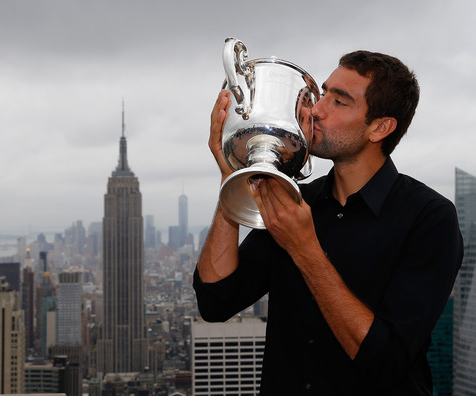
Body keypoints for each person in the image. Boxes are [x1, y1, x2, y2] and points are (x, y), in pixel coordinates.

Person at [193, 50, 463, 395]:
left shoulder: (429, 217)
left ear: (380, 128)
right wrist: (233, 175)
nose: (316, 109)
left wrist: (305, 248)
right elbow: (216, 302)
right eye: (322, 94)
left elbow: (387, 362)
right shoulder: (295, 201)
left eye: (340, 102)